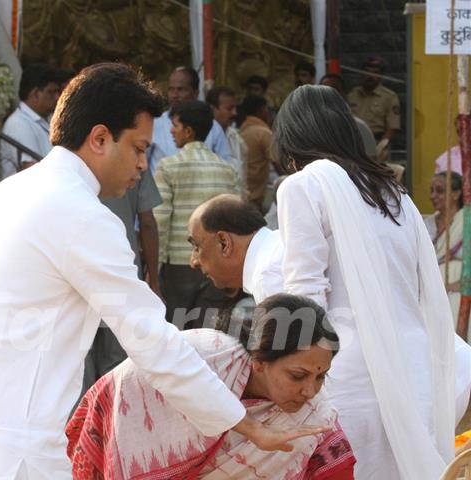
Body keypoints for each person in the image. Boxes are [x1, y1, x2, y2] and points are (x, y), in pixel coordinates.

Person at [0, 63, 324, 479]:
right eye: (139, 148)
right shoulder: (82, 214)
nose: (143, 165)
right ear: (100, 138)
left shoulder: (4, 195)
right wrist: (246, 423)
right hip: (14, 456)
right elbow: (152, 340)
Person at [273, 84, 456, 479]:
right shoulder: (395, 194)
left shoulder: (303, 186)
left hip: (349, 369)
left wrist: (294, 374)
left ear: (292, 139)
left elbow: (304, 294)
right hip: (413, 364)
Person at [189, 192, 471, 429]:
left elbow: (304, 360)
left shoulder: (269, 271)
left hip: (429, 385)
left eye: (196, 247)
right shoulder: (278, 251)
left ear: (224, 242)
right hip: (437, 371)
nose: (193, 262)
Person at [67, 294, 357, 479]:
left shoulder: (315, 419)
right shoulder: (201, 357)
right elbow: (118, 392)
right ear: (259, 361)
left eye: (321, 377)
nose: (310, 391)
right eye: (298, 375)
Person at [154, 100, 242, 329]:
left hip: (179, 267)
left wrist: (154, 268)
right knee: (210, 333)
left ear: (188, 131)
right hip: (218, 266)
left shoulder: (168, 166)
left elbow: (160, 221)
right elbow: (238, 223)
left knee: (177, 332)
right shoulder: (227, 170)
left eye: (175, 125)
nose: (171, 131)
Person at [83, 170, 163, 390]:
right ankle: (111, 420)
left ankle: (83, 422)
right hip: (122, 277)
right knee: (117, 365)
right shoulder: (135, 162)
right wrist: (154, 281)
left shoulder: (75, 162)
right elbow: (147, 223)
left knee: (81, 364)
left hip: (80, 277)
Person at [147, 67, 234, 173]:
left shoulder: (213, 127)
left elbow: (226, 167)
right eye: (171, 89)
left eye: (181, 89)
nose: (174, 95)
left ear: (195, 93)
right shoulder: (153, 124)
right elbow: (141, 167)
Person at [0, 64, 62, 178]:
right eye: (51, 92)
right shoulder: (18, 124)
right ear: (36, 94)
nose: (57, 97)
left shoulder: (47, 118)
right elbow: (31, 170)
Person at [425, 172, 465, 334]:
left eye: (440, 191)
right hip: (431, 294)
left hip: (458, 294)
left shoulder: (466, 221)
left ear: (456, 194)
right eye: (431, 190)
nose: (433, 195)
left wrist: (460, 285)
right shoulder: (427, 224)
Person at [319, 73, 377, 159]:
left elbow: (371, 163)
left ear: (344, 95)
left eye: (334, 90)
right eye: (323, 91)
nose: (328, 95)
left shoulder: (360, 128)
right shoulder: (310, 128)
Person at [347, 57, 400, 143]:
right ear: (361, 74)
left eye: (375, 73)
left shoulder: (389, 97)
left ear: (381, 76)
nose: (370, 76)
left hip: (377, 142)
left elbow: (392, 128)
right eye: (367, 72)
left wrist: (382, 146)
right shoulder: (352, 95)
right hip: (354, 143)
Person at [239, 95, 276, 212]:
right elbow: (278, 161)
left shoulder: (242, 130)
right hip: (253, 198)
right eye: (267, 109)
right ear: (261, 110)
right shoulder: (263, 133)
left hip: (243, 193)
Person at [206, 86, 247, 187]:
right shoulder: (204, 137)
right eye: (229, 109)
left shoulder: (235, 137)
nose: (234, 113)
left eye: (235, 108)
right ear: (212, 109)